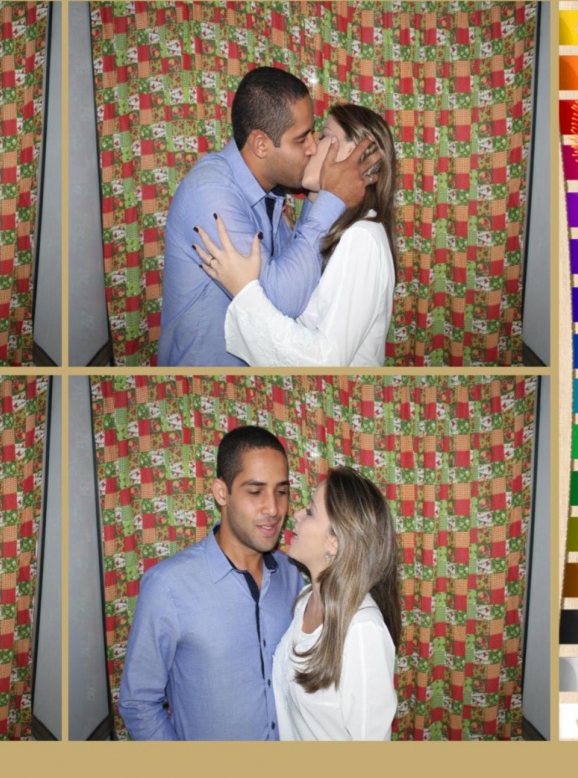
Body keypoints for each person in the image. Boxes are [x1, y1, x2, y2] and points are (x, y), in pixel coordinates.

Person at [159, 66, 382, 366]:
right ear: (261, 144)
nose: (313, 147)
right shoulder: (211, 193)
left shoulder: (268, 193)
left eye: (315, 134)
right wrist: (332, 197)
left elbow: (299, 276)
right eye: (301, 139)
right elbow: (282, 302)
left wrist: (318, 198)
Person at [117, 426, 304, 740]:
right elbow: (138, 703)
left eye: (281, 492)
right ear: (221, 493)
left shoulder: (292, 574)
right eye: (255, 492)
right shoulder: (168, 586)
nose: (273, 509)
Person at [195, 104, 397, 366]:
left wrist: (244, 292)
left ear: (352, 153)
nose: (311, 147)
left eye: (323, 136)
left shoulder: (362, 237)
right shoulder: (341, 230)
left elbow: (327, 362)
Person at [272, 467, 401, 740]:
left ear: (334, 542)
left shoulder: (362, 629)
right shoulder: (305, 600)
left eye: (310, 511)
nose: (296, 515)